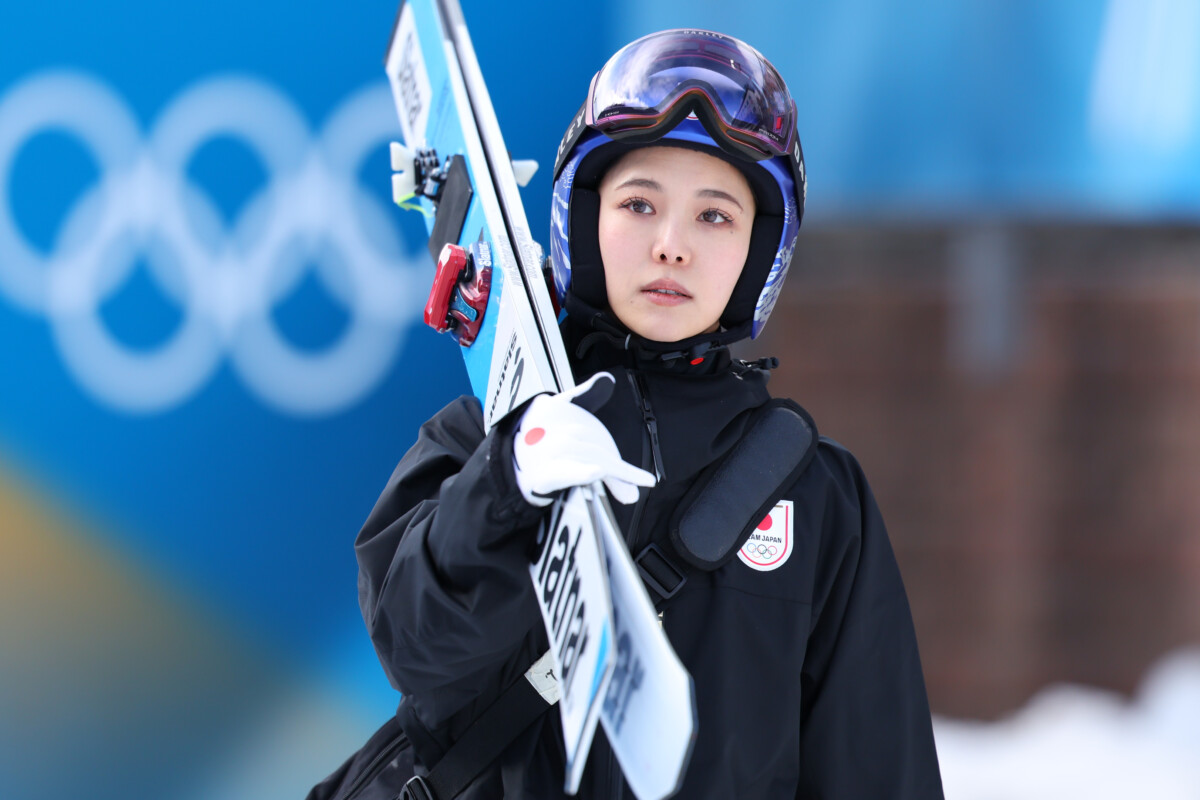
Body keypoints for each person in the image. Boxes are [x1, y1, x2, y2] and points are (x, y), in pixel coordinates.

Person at [353, 28, 944, 799]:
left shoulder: (818, 499)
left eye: (715, 216)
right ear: (585, 217)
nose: (672, 246)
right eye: (639, 203)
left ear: (760, 252)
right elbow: (414, 648)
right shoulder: (478, 441)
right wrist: (506, 487)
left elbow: (876, 771)